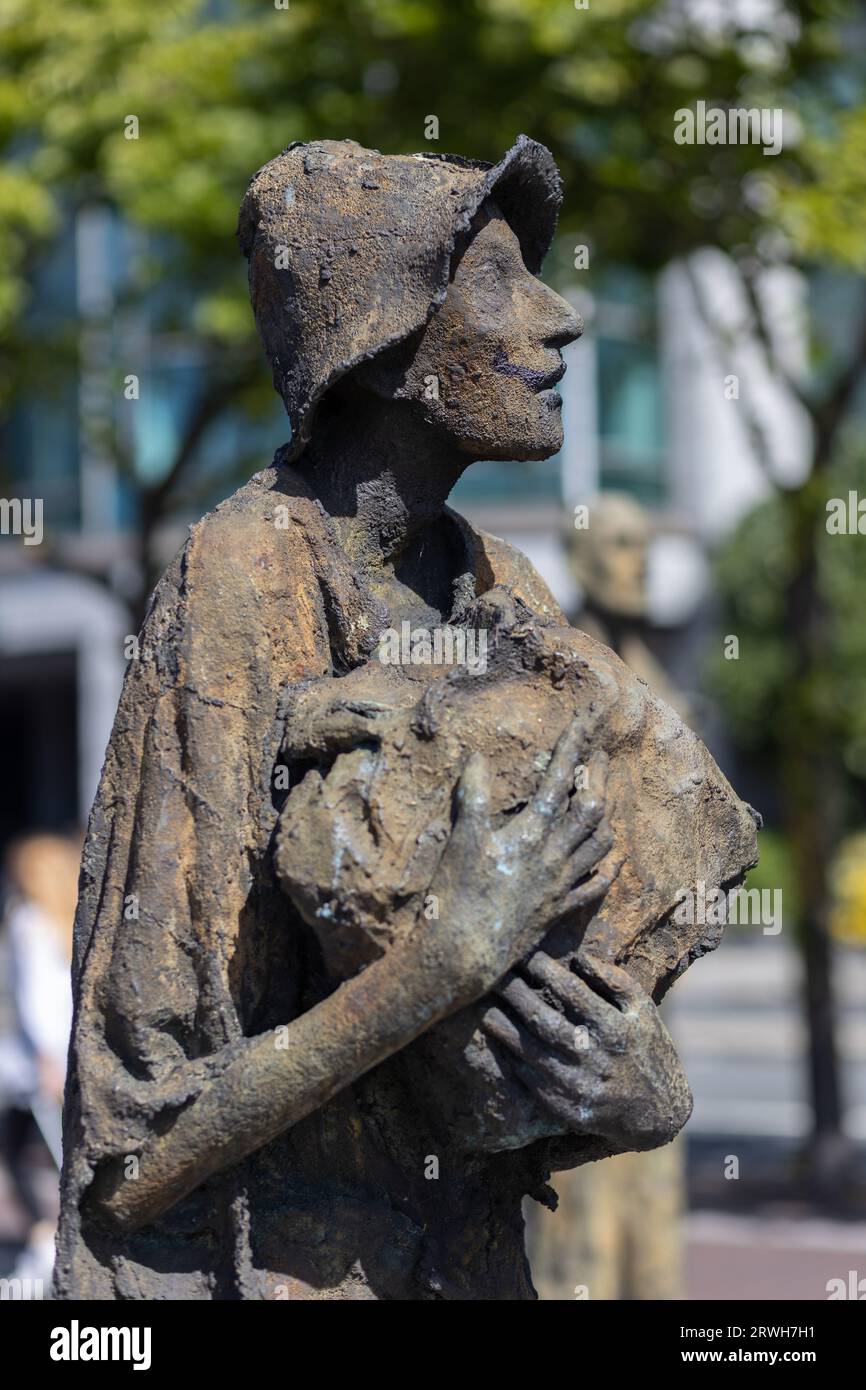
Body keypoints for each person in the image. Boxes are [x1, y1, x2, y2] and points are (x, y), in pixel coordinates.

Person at [56, 138, 730, 1300]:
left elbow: (527, 1060)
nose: (557, 317)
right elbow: (132, 1158)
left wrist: (638, 1092)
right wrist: (442, 961)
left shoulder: (504, 588)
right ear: (374, 348)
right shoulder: (240, 578)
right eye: (494, 281)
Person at [0, 834, 78, 1286]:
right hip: (63, 1056)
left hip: (36, 1063)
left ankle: (42, 1242)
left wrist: (47, 1058)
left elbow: (34, 997)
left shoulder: (26, 920)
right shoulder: (65, 919)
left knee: (29, 1155)